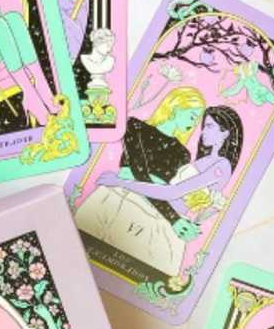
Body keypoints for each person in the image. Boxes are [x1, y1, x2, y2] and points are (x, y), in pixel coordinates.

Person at [74, 87, 206, 276]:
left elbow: (156, 186)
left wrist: (173, 214)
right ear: (177, 107)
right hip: (119, 197)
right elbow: (140, 172)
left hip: (152, 208)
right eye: (192, 116)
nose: (194, 123)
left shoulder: (182, 153)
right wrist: (173, 218)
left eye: (197, 119)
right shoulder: (135, 126)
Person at [97, 106, 242, 226]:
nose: (203, 131)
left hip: (161, 221)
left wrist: (121, 182)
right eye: (203, 126)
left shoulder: (221, 166)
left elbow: (172, 192)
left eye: (209, 126)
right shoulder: (203, 160)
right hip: (153, 211)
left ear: (225, 133)